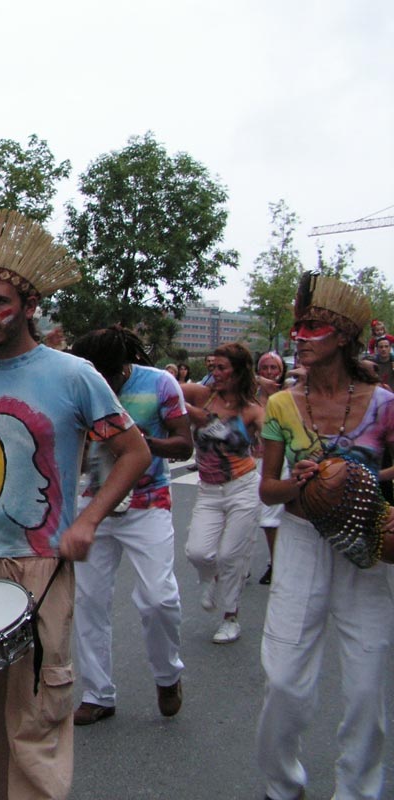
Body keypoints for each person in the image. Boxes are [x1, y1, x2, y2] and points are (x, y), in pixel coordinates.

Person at [0, 209, 151, 800]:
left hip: (40, 563)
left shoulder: (75, 376)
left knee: (37, 715)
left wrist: (88, 519)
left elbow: (133, 452)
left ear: (28, 306)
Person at [256, 272, 394, 800]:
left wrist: (356, 481)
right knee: (285, 681)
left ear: (340, 336)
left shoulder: (383, 403)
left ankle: (358, 790)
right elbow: (268, 490)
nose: (299, 336)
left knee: (364, 690)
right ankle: (281, 785)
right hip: (301, 541)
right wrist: (300, 484)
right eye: (298, 327)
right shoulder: (281, 405)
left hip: (366, 545)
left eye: (311, 327)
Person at [68, 327, 193, 726]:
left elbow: (185, 444)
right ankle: (98, 693)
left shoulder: (160, 384)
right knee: (89, 601)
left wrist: (141, 444)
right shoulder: (81, 386)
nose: (101, 381)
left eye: (108, 374)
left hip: (148, 502)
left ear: (124, 367)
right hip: (94, 505)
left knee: (159, 598)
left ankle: (168, 675)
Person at [181, 343, 265, 644]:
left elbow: (272, 442)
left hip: (242, 488)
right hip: (208, 489)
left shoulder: (253, 410)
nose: (214, 373)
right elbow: (166, 388)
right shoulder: (204, 396)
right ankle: (210, 577)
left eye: (221, 368)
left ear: (239, 371)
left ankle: (231, 617)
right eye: (211, 367)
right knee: (198, 552)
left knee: (231, 554)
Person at [255, 352, 288, 586]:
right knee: (249, 515)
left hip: (281, 461)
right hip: (253, 460)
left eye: (273, 368)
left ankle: (276, 564)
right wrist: (257, 381)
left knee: (270, 517)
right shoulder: (251, 396)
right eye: (264, 368)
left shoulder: (290, 394)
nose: (269, 373)